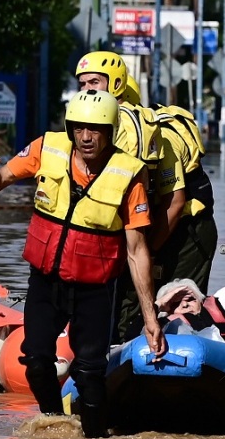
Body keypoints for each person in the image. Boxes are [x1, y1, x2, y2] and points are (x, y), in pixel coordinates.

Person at [0, 89, 165, 438]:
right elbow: (0, 180)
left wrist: (150, 318)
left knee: (90, 371)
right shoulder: (46, 148)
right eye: (79, 128)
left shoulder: (130, 173)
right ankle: (55, 422)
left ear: (110, 131)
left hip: (95, 289)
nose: (86, 136)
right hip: (46, 282)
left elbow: (137, 249)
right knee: (35, 361)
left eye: (95, 129)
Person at [76, 51, 217, 341]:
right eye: (82, 83)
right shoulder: (97, 129)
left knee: (176, 303)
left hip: (186, 231)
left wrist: (145, 252)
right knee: (127, 301)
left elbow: (175, 202)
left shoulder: (153, 135)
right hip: (144, 227)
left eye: (94, 82)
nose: (87, 90)